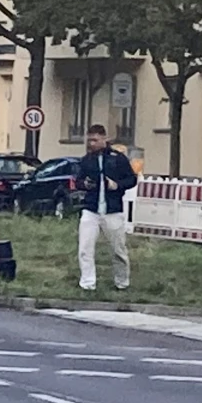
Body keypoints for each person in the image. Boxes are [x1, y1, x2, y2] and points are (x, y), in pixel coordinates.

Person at [76, 123, 137, 291]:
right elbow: (77, 181)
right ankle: (88, 284)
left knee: (119, 250)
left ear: (105, 139)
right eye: (89, 140)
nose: (91, 144)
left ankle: (122, 283)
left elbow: (132, 179)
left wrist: (116, 185)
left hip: (112, 210)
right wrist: (85, 184)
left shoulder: (117, 158)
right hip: (91, 209)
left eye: (95, 140)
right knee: (85, 248)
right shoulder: (87, 160)